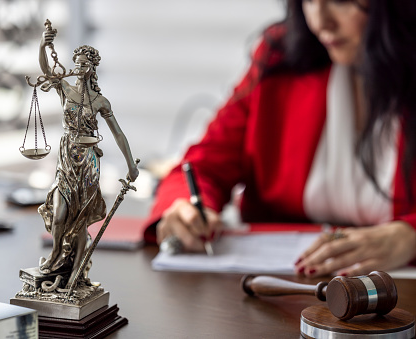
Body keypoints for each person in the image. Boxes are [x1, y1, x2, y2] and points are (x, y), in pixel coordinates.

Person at [145, 0, 416, 278]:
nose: (320, 22)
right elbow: (204, 165)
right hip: (278, 290)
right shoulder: (281, 55)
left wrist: (409, 238)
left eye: (341, 0)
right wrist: (185, 208)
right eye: (309, 0)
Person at [37, 28, 139, 288]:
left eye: (85, 64)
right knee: (59, 213)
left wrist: (131, 165)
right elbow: (47, 70)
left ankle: (75, 273)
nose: (80, 67)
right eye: (77, 64)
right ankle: (55, 256)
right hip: (67, 158)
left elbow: (118, 134)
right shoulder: (65, 89)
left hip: (89, 163)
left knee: (80, 218)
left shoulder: (100, 101)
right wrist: (43, 44)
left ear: (92, 69)